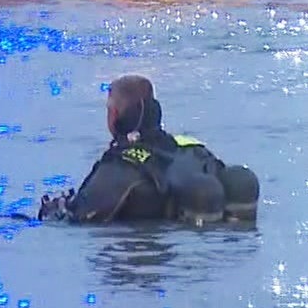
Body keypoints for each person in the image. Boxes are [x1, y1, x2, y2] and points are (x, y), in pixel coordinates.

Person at [38, 74, 259, 225]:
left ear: (114, 115)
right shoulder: (195, 150)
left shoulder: (119, 168)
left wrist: (52, 209)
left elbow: (80, 217)